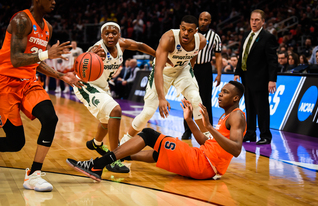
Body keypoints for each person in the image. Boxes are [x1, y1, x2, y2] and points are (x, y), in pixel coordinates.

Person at [66, 81, 246, 181]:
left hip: (204, 165)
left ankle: (98, 164)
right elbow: (206, 143)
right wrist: (189, 120)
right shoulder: (226, 116)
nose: (220, 94)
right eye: (221, 91)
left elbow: (236, 149)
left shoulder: (237, 116)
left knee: (150, 135)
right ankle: (125, 155)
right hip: (203, 160)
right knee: (161, 150)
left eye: (225, 92)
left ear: (236, 98)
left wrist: (208, 128)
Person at [0, 0, 82, 192]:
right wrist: (46, 54)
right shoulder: (21, 20)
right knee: (15, 143)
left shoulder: (48, 28)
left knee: (50, 118)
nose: (54, 1)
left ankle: (34, 175)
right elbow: (16, 58)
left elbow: (34, 62)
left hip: (29, 83)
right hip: (6, 84)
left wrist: (61, 76)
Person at [73, 22, 156, 173]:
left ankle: (96, 143)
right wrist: (93, 56)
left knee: (107, 121)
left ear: (119, 34)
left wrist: (158, 56)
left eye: (114, 33)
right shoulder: (97, 49)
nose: (110, 36)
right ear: (101, 35)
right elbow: (84, 60)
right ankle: (114, 159)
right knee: (115, 111)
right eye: (107, 33)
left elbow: (140, 45)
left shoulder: (122, 44)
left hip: (102, 86)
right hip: (86, 85)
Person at [119, 15, 212, 145]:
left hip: (182, 70)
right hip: (163, 72)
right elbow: (158, 69)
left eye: (190, 30)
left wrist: (190, 73)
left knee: (196, 99)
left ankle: (208, 141)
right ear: (179, 27)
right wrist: (162, 98)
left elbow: (193, 57)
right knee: (148, 112)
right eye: (183, 29)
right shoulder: (168, 38)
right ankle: (125, 139)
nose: (186, 33)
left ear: (196, 31)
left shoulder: (201, 41)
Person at [234, 9, 278, 145]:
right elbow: (242, 55)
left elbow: (272, 60)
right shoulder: (247, 34)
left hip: (261, 79)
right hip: (246, 78)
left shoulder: (267, 37)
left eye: (257, 20)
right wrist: (237, 72)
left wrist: (272, 80)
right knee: (249, 107)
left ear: (263, 22)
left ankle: (265, 135)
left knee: (262, 108)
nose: (254, 22)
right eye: (252, 19)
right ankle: (251, 133)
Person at [181, 11, 222, 140]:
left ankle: (207, 130)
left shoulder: (215, 36)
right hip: (190, 68)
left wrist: (219, 73)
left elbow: (218, 56)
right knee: (188, 98)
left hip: (205, 68)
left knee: (205, 100)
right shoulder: (190, 33)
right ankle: (187, 130)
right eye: (201, 19)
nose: (203, 21)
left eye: (206, 20)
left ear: (210, 21)